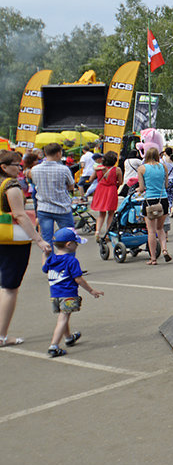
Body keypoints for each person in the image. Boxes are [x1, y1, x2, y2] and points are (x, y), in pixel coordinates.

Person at [1, 150, 52, 347]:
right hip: (12, 241)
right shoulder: (11, 186)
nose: (20, 169)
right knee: (10, 288)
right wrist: (39, 240)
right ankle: (2, 335)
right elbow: (20, 216)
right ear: (4, 167)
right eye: (16, 165)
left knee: (4, 287)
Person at [43, 228, 103, 357]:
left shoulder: (51, 259)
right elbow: (78, 279)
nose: (77, 245)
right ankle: (54, 345)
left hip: (55, 295)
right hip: (68, 294)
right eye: (76, 243)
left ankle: (69, 338)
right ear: (69, 244)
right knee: (63, 318)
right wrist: (91, 290)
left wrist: (45, 254)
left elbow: (44, 269)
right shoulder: (71, 261)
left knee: (64, 317)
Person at [29, 142, 77, 242]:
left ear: (45, 153)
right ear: (58, 153)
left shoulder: (34, 169)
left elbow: (35, 183)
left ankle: (47, 258)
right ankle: (67, 257)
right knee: (68, 239)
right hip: (62, 208)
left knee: (47, 241)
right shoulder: (64, 169)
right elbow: (71, 186)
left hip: (43, 208)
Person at [138, 147, 171, 265]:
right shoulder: (163, 167)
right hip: (163, 199)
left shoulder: (142, 169)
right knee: (160, 228)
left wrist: (139, 189)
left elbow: (142, 188)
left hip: (150, 201)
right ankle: (164, 249)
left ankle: (153, 258)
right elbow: (166, 185)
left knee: (151, 231)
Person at [91, 152, 122, 239]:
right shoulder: (117, 170)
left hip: (100, 189)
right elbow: (120, 182)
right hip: (111, 190)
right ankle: (108, 233)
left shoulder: (99, 169)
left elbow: (90, 179)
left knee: (101, 213)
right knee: (111, 213)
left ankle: (97, 231)